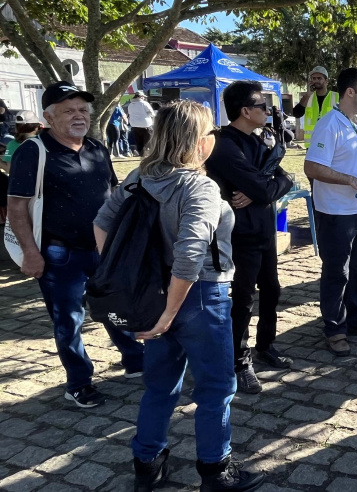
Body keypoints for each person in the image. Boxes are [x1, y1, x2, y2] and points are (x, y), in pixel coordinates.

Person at [94, 101, 264, 492]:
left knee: (160, 385)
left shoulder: (139, 177)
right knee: (217, 388)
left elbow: (101, 224)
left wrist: (130, 281)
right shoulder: (198, 186)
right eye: (210, 134)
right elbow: (190, 254)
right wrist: (168, 312)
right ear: (198, 142)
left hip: (153, 297)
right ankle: (216, 471)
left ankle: (148, 463)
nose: (213, 141)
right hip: (199, 297)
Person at [7, 81, 144, 408]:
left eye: (83, 109)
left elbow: (113, 194)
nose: (78, 116)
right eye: (69, 110)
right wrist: (29, 252)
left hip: (100, 248)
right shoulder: (33, 152)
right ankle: (78, 382)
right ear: (49, 117)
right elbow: (16, 207)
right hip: (58, 254)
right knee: (68, 320)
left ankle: (134, 359)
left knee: (116, 305)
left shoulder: (97, 147)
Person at [205, 81, 295, 395]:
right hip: (237, 235)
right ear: (245, 110)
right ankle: (239, 362)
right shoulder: (223, 144)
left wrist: (263, 189)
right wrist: (263, 188)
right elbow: (264, 186)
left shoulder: (260, 141)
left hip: (264, 230)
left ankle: (265, 345)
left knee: (271, 289)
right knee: (242, 299)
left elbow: (285, 177)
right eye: (262, 106)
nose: (268, 111)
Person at [304, 68, 357, 356]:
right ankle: (334, 328)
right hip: (334, 212)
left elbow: (349, 159)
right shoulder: (330, 124)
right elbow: (312, 168)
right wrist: (352, 180)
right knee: (336, 271)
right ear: (350, 92)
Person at [292, 66, 338, 148]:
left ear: (326, 81)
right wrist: (308, 95)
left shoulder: (336, 97)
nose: (316, 81)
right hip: (312, 145)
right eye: (313, 78)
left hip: (331, 143)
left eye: (319, 78)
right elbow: (296, 114)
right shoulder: (308, 98)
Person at [127, 91, 155, 156]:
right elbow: (152, 113)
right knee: (148, 141)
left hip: (134, 125)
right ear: (140, 97)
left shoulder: (130, 105)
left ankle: (141, 154)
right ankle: (148, 153)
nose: (144, 98)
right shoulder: (144, 103)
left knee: (139, 142)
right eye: (143, 97)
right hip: (145, 124)